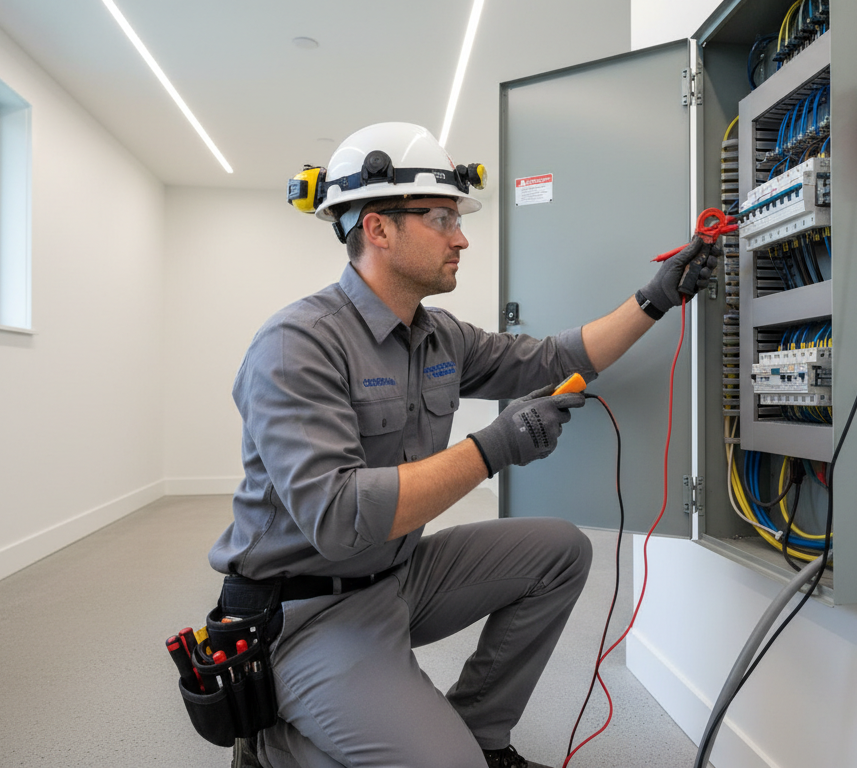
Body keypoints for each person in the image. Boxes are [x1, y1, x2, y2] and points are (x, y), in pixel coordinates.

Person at [208, 122, 717, 768]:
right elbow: (337, 518)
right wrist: (491, 449)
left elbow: (554, 358)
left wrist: (656, 299)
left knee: (559, 551)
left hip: (395, 577)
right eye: (442, 218)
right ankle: (276, 737)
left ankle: (481, 730)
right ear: (378, 229)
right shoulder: (296, 346)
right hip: (306, 611)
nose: (462, 236)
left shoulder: (440, 336)